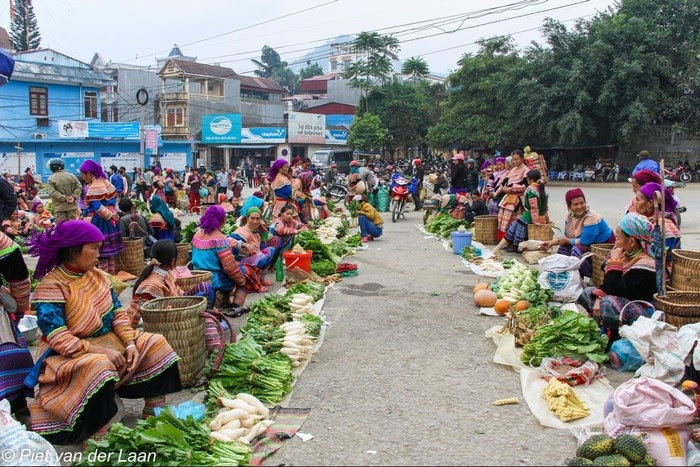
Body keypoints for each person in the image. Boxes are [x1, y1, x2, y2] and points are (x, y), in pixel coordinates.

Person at [27, 220, 181, 445]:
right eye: (95, 248)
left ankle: (153, 413)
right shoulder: (52, 286)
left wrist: (129, 343)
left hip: (110, 343)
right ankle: (99, 436)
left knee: (155, 342)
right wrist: (99, 350)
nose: (99, 254)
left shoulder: (98, 277)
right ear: (74, 250)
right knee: (98, 364)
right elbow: (59, 338)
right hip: (67, 356)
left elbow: (118, 315)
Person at [578, 213, 657, 346]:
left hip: (642, 311)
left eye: (618, 239)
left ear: (631, 241)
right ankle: (602, 333)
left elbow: (618, 289)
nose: (616, 243)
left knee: (608, 303)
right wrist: (598, 298)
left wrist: (615, 261)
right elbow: (608, 283)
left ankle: (614, 340)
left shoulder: (646, 264)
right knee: (588, 293)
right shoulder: (627, 255)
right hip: (622, 301)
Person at [192, 206, 266, 312]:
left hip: (196, 275)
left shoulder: (198, 234)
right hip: (213, 279)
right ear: (222, 220)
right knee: (248, 272)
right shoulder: (220, 240)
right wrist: (243, 281)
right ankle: (237, 306)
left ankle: (228, 302)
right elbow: (230, 268)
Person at [127, 240, 213, 327]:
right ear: (173, 261)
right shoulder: (150, 285)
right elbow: (137, 315)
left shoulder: (167, 274)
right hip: (165, 322)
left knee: (205, 288)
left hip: (175, 308)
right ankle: (209, 321)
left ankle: (209, 318)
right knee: (204, 300)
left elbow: (179, 292)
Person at [541, 188, 615, 278]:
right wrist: (551, 243)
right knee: (563, 249)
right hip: (587, 246)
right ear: (569, 207)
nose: (580, 207)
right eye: (575, 204)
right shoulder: (570, 216)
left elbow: (585, 241)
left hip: (601, 247)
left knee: (576, 250)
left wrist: (565, 241)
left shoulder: (591, 217)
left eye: (582, 203)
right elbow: (567, 237)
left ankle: (576, 278)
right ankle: (564, 276)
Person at [80, 160, 124, 275]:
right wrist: (113, 214)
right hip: (110, 221)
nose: (83, 178)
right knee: (110, 256)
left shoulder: (95, 186)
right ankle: (111, 277)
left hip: (101, 221)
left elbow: (96, 206)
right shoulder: (105, 182)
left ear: (89, 173)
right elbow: (114, 200)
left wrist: (109, 216)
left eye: (83, 175)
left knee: (101, 254)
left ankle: (104, 278)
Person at [493, 169, 548, 253]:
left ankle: (500, 248)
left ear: (531, 180)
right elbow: (545, 206)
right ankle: (502, 247)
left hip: (530, 216)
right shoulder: (544, 189)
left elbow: (534, 208)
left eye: (528, 179)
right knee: (514, 225)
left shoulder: (531, 189)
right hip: (541, 216)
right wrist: (546, 218)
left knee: (513, 228)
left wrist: (535, 221)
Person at [635, 182, 681, 272]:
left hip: (664, 271)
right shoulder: (652, 220)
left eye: (638, 200)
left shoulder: (661, 224)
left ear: (650, 203)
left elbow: (660, 256)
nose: (634, 203)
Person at [494, 150, 530, 241]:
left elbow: (525, 186)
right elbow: (504, 183)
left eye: (517, 159)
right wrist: (498, 192)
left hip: (518, 200)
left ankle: (513, 241)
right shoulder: (513, 170)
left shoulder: (526, 170)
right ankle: (505, 241)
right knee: (503, 219)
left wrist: (511, 189)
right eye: (513, 160)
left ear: (522, 159)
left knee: (514, 221)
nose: (514, 162)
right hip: (508, 198)